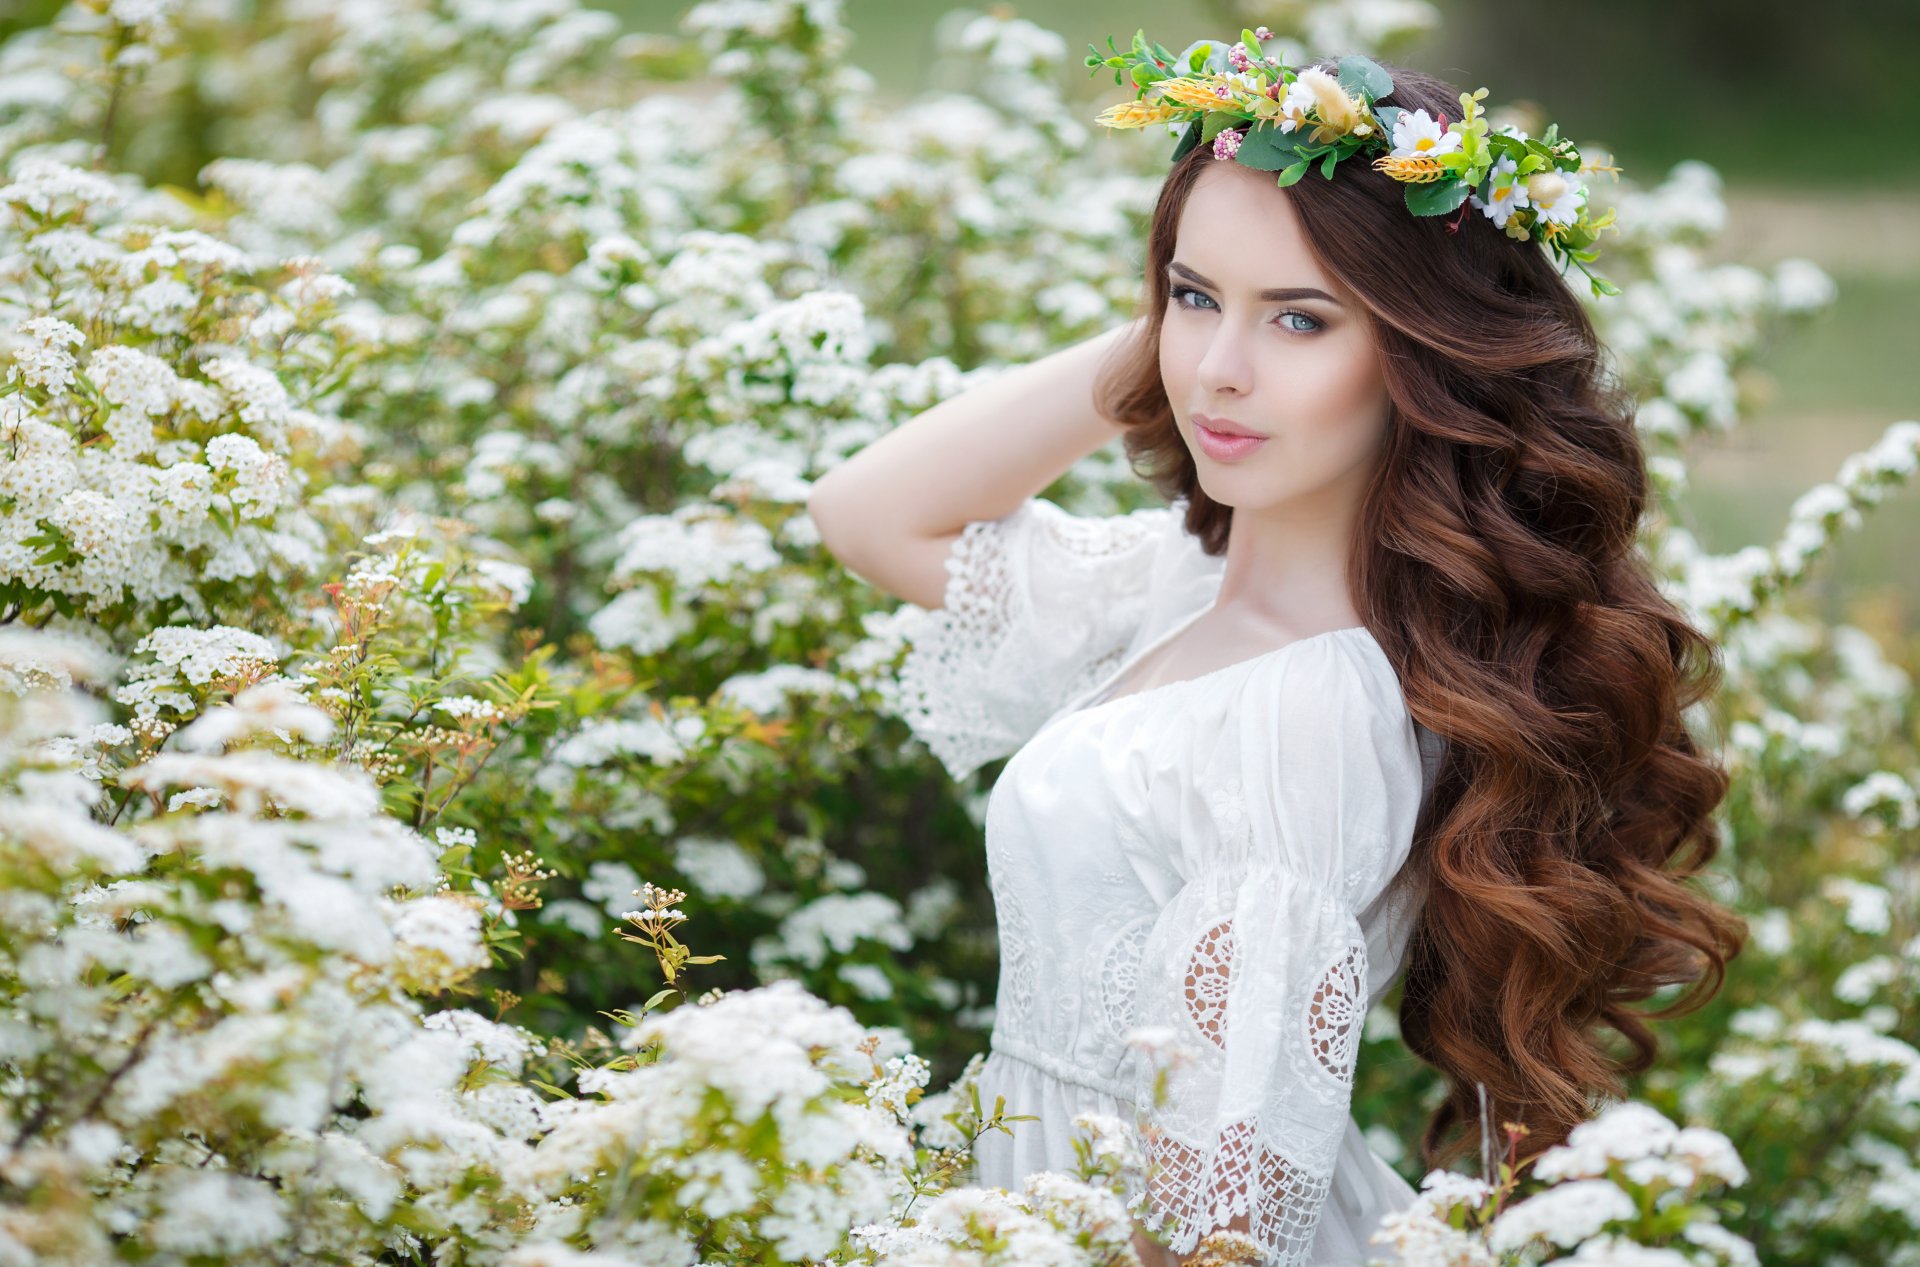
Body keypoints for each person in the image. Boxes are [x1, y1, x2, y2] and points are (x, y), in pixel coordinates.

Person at [807, 39, 1745, 1267]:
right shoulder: (1178, 588)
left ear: (1425, 354)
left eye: (1301, 320)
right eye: (1191, 300)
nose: (1217, 374)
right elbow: (869, 515)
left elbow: (1219, 1224)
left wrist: (1220, 291)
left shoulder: (1301, 721)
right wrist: (1204, 300)